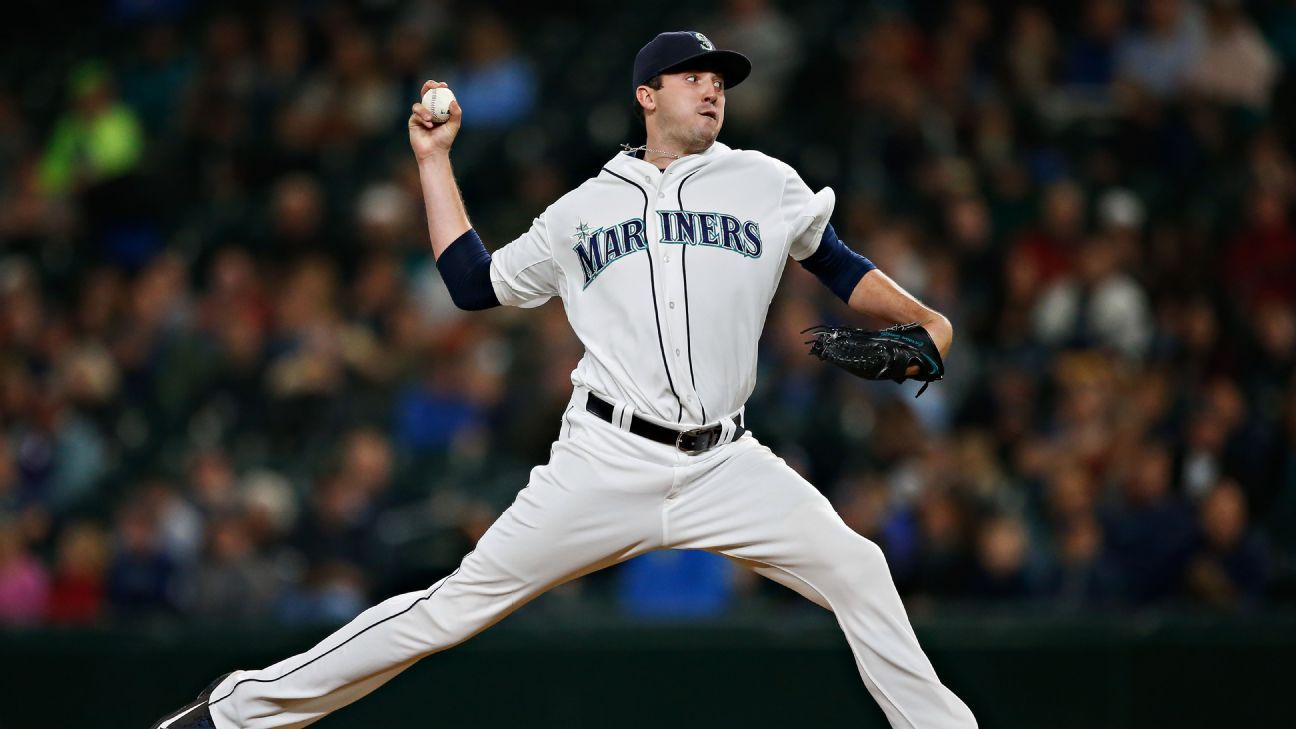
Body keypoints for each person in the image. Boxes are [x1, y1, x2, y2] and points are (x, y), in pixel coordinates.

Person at [152, 31, 977, 729]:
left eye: (720, 80)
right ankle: (234, 712)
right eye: (694, 78)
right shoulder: (583, 209)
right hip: (604, 459)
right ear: (646, 95)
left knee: (859, 568)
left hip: (728, 461)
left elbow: (841, 268)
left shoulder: (765, 181)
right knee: (450, 608)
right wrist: (434, 161)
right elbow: (473, 284)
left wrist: (925, 320)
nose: (712, 90)